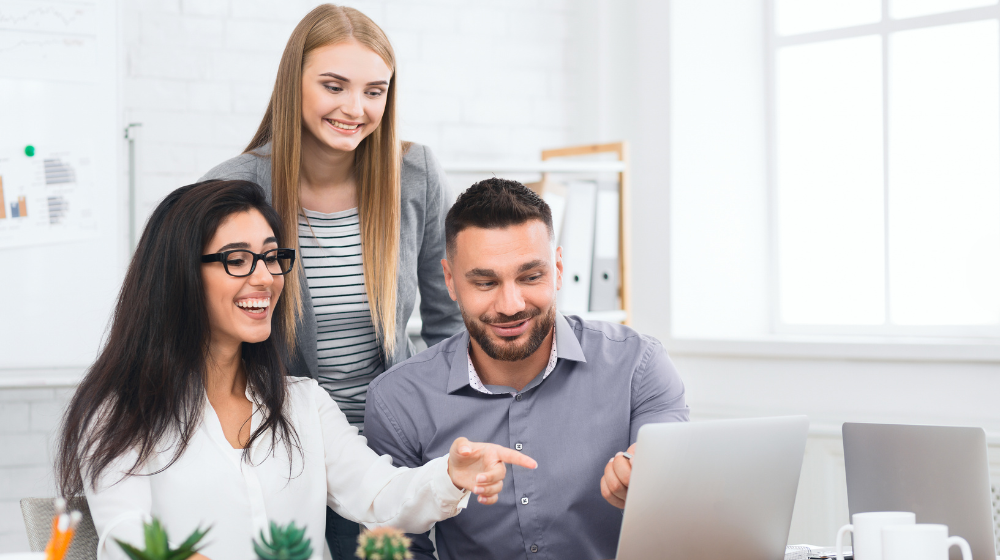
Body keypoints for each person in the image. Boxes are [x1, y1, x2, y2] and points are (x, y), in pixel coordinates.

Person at [55, 180, 535, 560]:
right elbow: (125, 538)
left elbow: (380, 496)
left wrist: (450, 474)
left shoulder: (302, 403)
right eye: (237, 260)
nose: (265, 276)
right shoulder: (121, 413)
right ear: (178, 274)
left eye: (271, 257)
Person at [199, 6, 463, 554]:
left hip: (395, 452)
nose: (355, 109)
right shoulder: (234, 187)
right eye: (334, 86)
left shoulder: (415, 175)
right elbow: (199, 328)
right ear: (293, 83)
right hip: (285, 451)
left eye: (374, 91)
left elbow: (450, 320)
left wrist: (453, 426)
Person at [364, 178, 690, 560]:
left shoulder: (638, 366)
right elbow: (393, 548)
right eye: (485, 282)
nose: (511, 305)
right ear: (450, 281)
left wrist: (653, 480)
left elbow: (679, 485)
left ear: (558, 268)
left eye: (531, 277)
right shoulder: (398, 400)